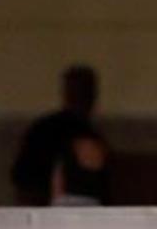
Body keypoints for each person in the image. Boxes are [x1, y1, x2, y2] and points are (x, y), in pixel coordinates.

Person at [10, 63, 106, 206]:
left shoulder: (45, 128)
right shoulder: (46, 130)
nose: (83, 98)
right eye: (78, 92)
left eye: (85, 92)